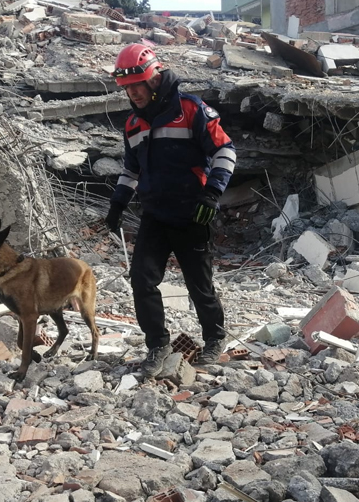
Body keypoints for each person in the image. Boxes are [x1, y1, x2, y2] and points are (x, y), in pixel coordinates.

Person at [105, 43, 237, 378]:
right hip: (155, 216)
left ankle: (214, 339)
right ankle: (157, 345)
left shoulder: (191, 109)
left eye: (137, 84)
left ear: (153, 80)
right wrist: (118, 202)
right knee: (141, 280)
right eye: (126, 87)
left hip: (194, 213)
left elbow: (225, 151)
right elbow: (131, 170)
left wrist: (212, 194)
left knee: (198, 284)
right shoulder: (134, 125)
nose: (132, 92)